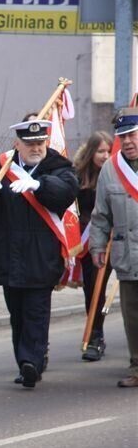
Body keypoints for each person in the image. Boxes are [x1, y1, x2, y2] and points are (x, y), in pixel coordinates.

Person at [0, 118, 78, 388]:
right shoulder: (1, 165)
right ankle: (24, 361)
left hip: (42, 255)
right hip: (8, 254)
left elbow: (67, 191)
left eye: (40, 143)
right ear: (18, 144)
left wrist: (40, 185)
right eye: (29, 144)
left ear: (46, 142)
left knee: (36, 312)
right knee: (17, 313)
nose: (35, 148)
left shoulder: (57, 166)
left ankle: (32, 362)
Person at [90, 107, 138, 388]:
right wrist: (97, 246)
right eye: (123, 136)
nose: (128, 141)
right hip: (127, 255)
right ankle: (136, 366)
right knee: (132, 316)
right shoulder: (111, 168)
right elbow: (100, 214)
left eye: (132, 134)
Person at [73, 131, 113, 362]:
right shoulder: (78, 176)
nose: (105, 156)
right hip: (92, 241)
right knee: (94, 290)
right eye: (100, 151)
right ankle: (96, 336)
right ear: (91, 152)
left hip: (117, 238)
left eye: (108, 151)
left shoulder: (118, 173)